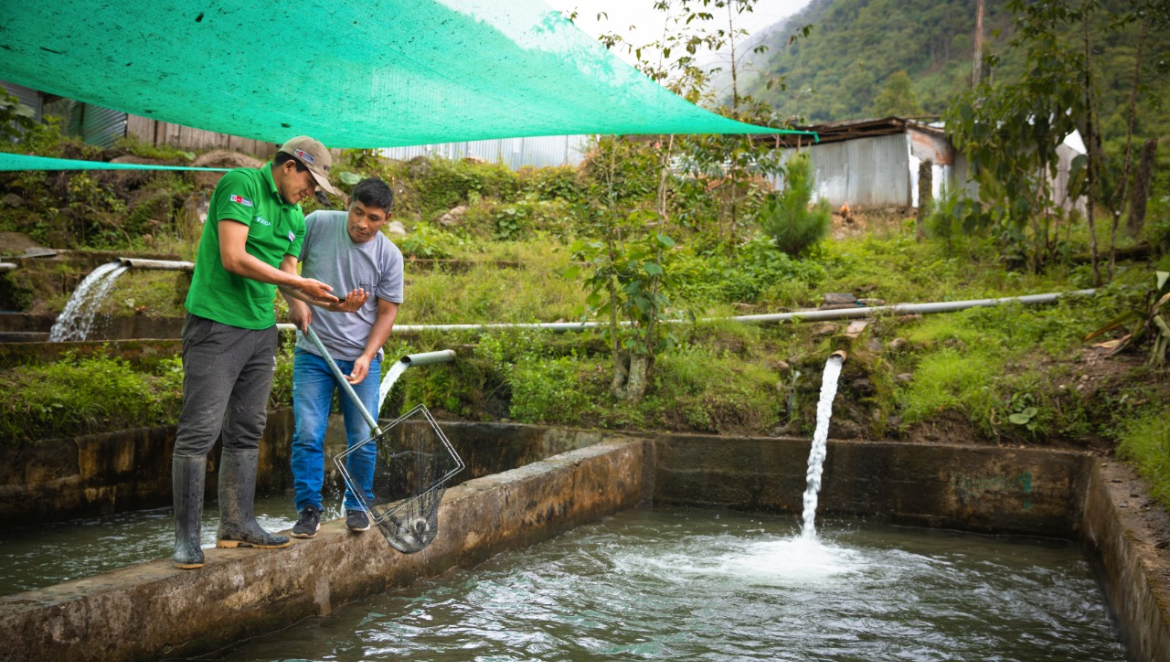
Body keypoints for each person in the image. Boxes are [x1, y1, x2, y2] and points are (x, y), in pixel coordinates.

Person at [172, 136, 361, 570]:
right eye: (310, 182)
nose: (311, 193)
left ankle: (237, 524)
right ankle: (186, 538)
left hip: (259, 329)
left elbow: (289, 277)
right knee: (199, 430)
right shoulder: (240, 184)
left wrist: (327, 304)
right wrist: (300, 287)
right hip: (216, 323)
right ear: (290, 165)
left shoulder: (294, 214)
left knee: (247, 428)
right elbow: (234, 256)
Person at [286, 177, 403, 538]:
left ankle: (357, 505)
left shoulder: (389, 255)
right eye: (357, 212)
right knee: (308, 432)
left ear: (386, 218)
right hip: (314, 352)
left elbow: (386, 313)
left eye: (374, 218)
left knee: (362, 437)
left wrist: (368, 356)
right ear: (348, 204)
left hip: (360, 361)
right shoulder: (318, 222)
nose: (363, 224)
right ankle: (308, 509)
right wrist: (296, 303)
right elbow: (285, 267)